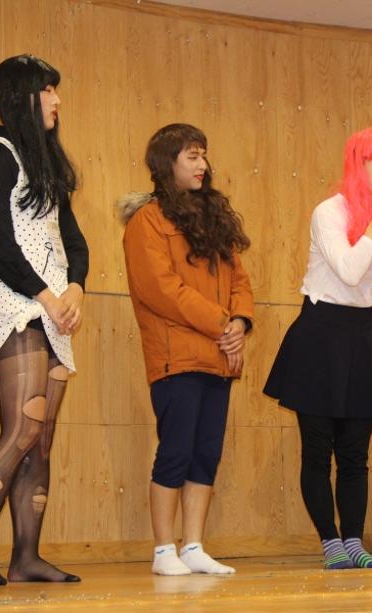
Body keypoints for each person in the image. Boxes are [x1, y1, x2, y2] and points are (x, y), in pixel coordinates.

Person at [0, 54, 88, 585]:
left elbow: (73, 241)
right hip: (18, 308)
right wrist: (45, 296)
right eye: (47, 91)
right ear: (21, 98)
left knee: (42, 440)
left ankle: (26, 557)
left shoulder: (46, 166)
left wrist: (75, 288)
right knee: (22, 428)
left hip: (55, 312)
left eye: (56, 90)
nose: (56, 100)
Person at [264, 126, 372, 570]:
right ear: (358, 165)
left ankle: (354, 542)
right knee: (318, 450)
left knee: (355, 453)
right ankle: (330, 542)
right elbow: (349, 271)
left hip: (360, 335)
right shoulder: (329, 212)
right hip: (319, 332)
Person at [121, 123, 254, 576]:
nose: (202, 164)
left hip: (219, 356)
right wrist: (221, 323)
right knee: (175, 451)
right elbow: (162, 290)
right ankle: (164, 550)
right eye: (192, 156)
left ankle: (193, 545)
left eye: (203, 155)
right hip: (175, 356)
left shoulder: (213, 217)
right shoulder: (147, 221)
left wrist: (239, 322)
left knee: (205, 453)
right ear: (167, 163)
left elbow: (239, 281)